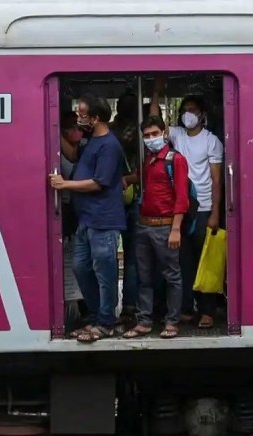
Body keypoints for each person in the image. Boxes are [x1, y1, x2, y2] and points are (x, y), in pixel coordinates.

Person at [49, 94, 126, 343]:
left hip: (103, 220)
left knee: (105, 273)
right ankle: (95, 316)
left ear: (95, 118)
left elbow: (98, 183)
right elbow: (73, 157)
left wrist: (64, 184)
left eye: (82, 114)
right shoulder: (91, 140)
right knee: (81, 268)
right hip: (87, 219)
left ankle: (106, 322)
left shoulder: (109, 145)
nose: (78, 117)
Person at [150, 78, 224, 329]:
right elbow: (154, 123)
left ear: (202, 114)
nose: (187, 115)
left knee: (206, 262)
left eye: (192, 110)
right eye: (184, 111)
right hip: (181, 209)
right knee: (184, 262)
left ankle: (207, 311)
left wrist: (215, 213)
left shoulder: (212, 141)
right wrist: (157, 95)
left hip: (203, 209)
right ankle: (186, 309)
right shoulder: (178, 134)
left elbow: (217, 181)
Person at [123, 115, 190, 339]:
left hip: (165, 226)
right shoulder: (150, 160)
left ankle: (171, 322)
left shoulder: (175, 160)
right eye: (146, 135)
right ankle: (144, 321)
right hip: (144, 225)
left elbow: (182, 197)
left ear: (164, 133)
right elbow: (141, 183)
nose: (150, 139)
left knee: (172, 275)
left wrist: (176, 229)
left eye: (154, 134)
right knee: (145, 277)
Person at [109, 92, 141, 328]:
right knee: (132, 257)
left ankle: (107, 308)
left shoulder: (108, 131)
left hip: (109, 199)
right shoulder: (138, 132)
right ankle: (129, 307)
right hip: (133, 197)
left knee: (107, 257)